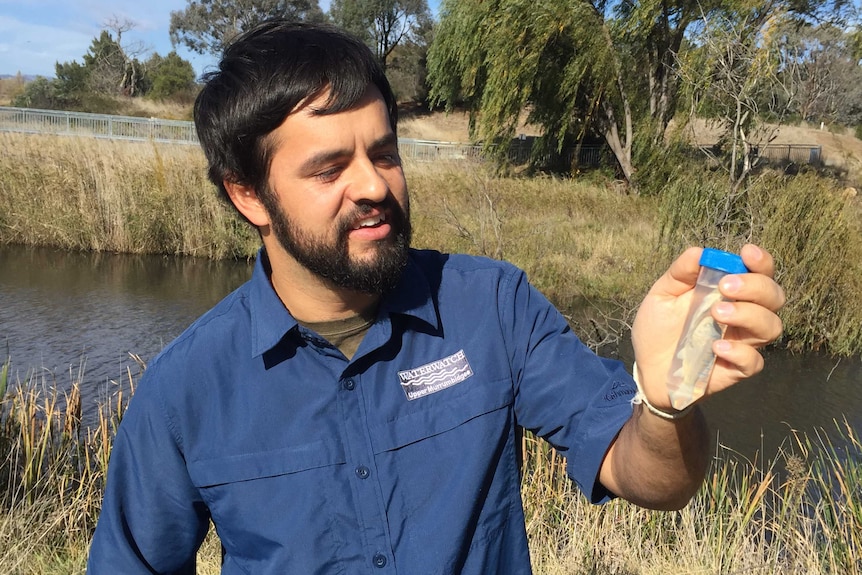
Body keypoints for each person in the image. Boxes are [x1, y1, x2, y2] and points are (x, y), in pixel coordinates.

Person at [86, 19, 785, 575]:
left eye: (383, 153)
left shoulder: (493, 307)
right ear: (247, 194)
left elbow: (652, 478)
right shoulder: (186, 388)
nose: (373, 185)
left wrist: (666, 400)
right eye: (329, 168)